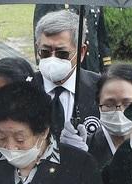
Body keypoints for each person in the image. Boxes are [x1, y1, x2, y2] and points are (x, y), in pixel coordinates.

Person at [33, 11, 102, 151]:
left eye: (61, 53)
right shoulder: (24, 89)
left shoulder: (100, 90)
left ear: (81, 52)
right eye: (45, 52)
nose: (52, 59)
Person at [89, 63, 132, 167]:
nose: (119, 112)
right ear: (98, 103)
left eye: (127, 104)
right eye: (109, 105)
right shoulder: (87, 147)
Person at [33, 4, 111, 73]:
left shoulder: (96, 2)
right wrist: (41, 63)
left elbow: (101, 36)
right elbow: (40, 35)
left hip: (91, 64)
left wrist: (106, 66)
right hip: (63, 60)